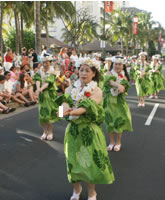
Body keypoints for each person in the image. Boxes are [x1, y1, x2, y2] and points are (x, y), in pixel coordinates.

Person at [57, 59, 114, 200]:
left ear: (94, 74)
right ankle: (76, 189)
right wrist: (61, 111)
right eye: (81, 69)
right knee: (72, 161)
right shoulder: (71, 88)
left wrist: (72, 112)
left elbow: (86, 107)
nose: (83, 73)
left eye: (87, 70)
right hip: (73, 131)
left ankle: (91, 192)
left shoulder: (97, 90)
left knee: (90, 163)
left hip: (89, 131)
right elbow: (64, 102)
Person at [103, 56, 133, 152]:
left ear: (122, 65)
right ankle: (111, 142)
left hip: (119, 102)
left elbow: (124, 87)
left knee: (118, 122)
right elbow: (110, 81)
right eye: (116, 64)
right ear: (113, 64)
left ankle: (118, 142)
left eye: (119, 64)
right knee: (109, 122)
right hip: (109, 101)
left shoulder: (124, 76)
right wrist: (118, 85)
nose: (117, 66)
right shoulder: (108, 73)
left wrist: (122, 87)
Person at [33, 56, 60, 141]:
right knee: (42, 114)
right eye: (43, 62)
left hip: (50, 94)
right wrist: (38, 88)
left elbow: (48, 83)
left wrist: (40, 89)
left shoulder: (53, 72)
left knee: (50, 114)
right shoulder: (39, 70)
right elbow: (37, 79)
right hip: (42, 95)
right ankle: (45, 131)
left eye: (46, 62)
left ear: (50, 62)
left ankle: (50, 131)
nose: (44, 64)